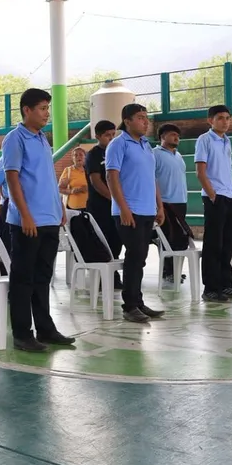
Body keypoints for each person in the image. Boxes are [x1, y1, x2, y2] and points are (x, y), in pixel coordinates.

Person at [1, 88, 75, 352]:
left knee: (43, 277)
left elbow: (46, 177)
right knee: (23, 279)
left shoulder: (43, 138)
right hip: (27, 222)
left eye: (47, 108)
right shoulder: (14, 139)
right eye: (42, 108)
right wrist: (25, 215)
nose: (47, 114)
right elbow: (12, 179)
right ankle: (22, 333)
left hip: (49, 218)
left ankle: (45, 329)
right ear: (26, 110)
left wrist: (59, 208)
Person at [105, 104, 166, 323]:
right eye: (140, 118)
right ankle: (130, 305)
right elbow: (112, 177)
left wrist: (159, 206)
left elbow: (152, 178)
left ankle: (138, 302)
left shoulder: (146, 145)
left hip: (147, 210)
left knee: (140, 258)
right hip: (128, 210)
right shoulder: (118, 144)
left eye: (146, 118)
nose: (145, 121)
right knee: (134, 255)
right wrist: (123, 209)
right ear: (127, 121)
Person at [194, 104, 232, 302]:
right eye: (220, 118)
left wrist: (229, 192)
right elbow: (200, 171)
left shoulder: (227, 140)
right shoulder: (204, 139)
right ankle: (210, 289)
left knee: (228, 244)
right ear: (210, 120)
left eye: (227, 118)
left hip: (230, 195)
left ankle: (226, 285)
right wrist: (213, 195)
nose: (225, 121)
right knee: (213, 244)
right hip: (215, 196)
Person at [85, 119, 122, 287]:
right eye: (108, 135)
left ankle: (113, 275)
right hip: (100, 206)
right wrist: (113, 198)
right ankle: (101, 279)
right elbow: (96, 181)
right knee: (103, 241)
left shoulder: (117, 152)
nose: (111, 138)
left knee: (117, 240)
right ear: (98, 136)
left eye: (114, 135)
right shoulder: (93, 154)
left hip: (116, 206)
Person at [153, 123, 190, 285]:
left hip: (181, 202)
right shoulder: (155, 154)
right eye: (172, 134)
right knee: (168, 239)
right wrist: (158, 203)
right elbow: (152, 179)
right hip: (165, 203)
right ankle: (167, 272)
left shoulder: (179, 156)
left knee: (180, 240)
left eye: (178, 135)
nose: (176, 137)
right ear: (162, 137)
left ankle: (175, 271)